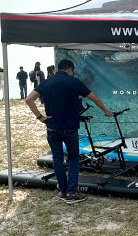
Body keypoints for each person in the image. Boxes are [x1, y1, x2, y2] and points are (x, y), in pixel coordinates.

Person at [26, 59, 112, 204]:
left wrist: (40, 117)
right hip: (70, 127)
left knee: (58, 159)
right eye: (73, 71)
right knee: (73, 159)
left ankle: (63, 191)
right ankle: (72, 193)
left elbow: (29, 99)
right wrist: (106, 111)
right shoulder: (74, 82)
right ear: (70, 70)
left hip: (52, 127)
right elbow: (95, 98)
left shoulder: (47, 82)